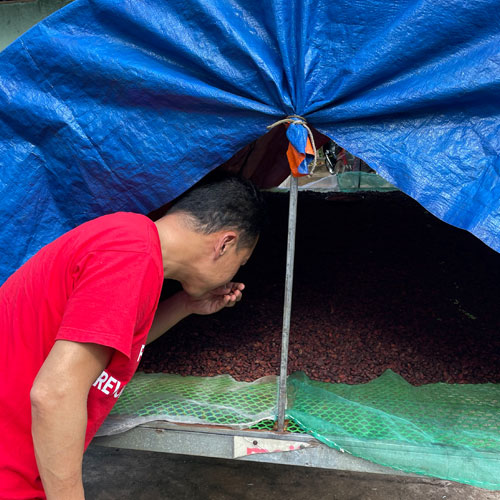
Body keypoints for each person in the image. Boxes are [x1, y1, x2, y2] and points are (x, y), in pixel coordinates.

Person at [0, 175, 266, 500]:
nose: (235, 272)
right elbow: (55, 394)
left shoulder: (133, 245)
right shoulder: (131, 256)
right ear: (224, 244)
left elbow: (113, 344)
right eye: (240, 262)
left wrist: (185, 305)